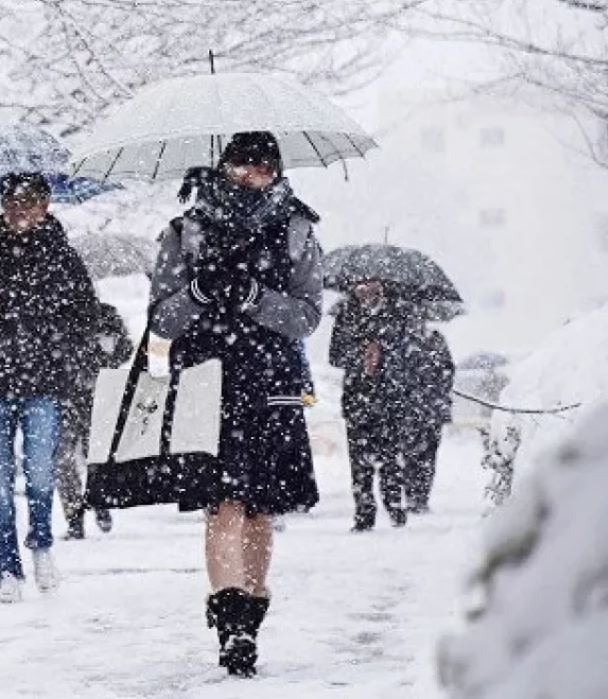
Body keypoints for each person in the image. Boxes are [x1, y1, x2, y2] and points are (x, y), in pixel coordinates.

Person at [148, 131, 324, 677]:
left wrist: (254, 298)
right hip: (207, 383)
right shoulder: (186, 231)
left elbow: (307, 316)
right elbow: (161, 319)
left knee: (259, 507)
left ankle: (251, 614)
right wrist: (200, 291)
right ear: (224, 167)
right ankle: (232, 627)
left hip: (271, 382)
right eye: (244, 165)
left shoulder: (297, 229)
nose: (254, 175)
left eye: (265, 166)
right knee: (221, 504)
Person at [0, 172, 98, 603]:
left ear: (45, 205)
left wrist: (22, 313)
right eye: (11, 202)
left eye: (28, 202)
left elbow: (85, 316)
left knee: (42, 475)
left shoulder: (63, 258)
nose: (18, 211)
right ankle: (5, 570)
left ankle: (42, 544)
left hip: (44, 382)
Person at [328, 280, 417, 532]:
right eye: (361, 285)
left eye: (372, 284)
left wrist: (383, 351)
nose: (365, 290)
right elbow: (335, 355)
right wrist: (360, 352)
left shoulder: (398, 313)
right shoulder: (346, 315)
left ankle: (394, 505)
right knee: (359, 463)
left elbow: (408, 354)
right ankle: (364, 513)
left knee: (390, 458)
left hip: (389, 399)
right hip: (357, 399)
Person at [56, 300, 134, 540]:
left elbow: (125, 348)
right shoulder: (56, 314)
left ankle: (96, 504)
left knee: (89, 456)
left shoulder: (103, 314)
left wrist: (101, 360)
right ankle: (76, 517)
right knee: (66, 459)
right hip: (67, 395)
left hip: (92, 395)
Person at [403, 318, 454, 513]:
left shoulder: (437, 340)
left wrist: (437, 390)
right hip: (411, 408)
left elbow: (448, 370)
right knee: (411, 453)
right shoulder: (405, 342)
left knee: (428, 454)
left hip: (432, 408)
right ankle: (413, 496)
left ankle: (421, 496)